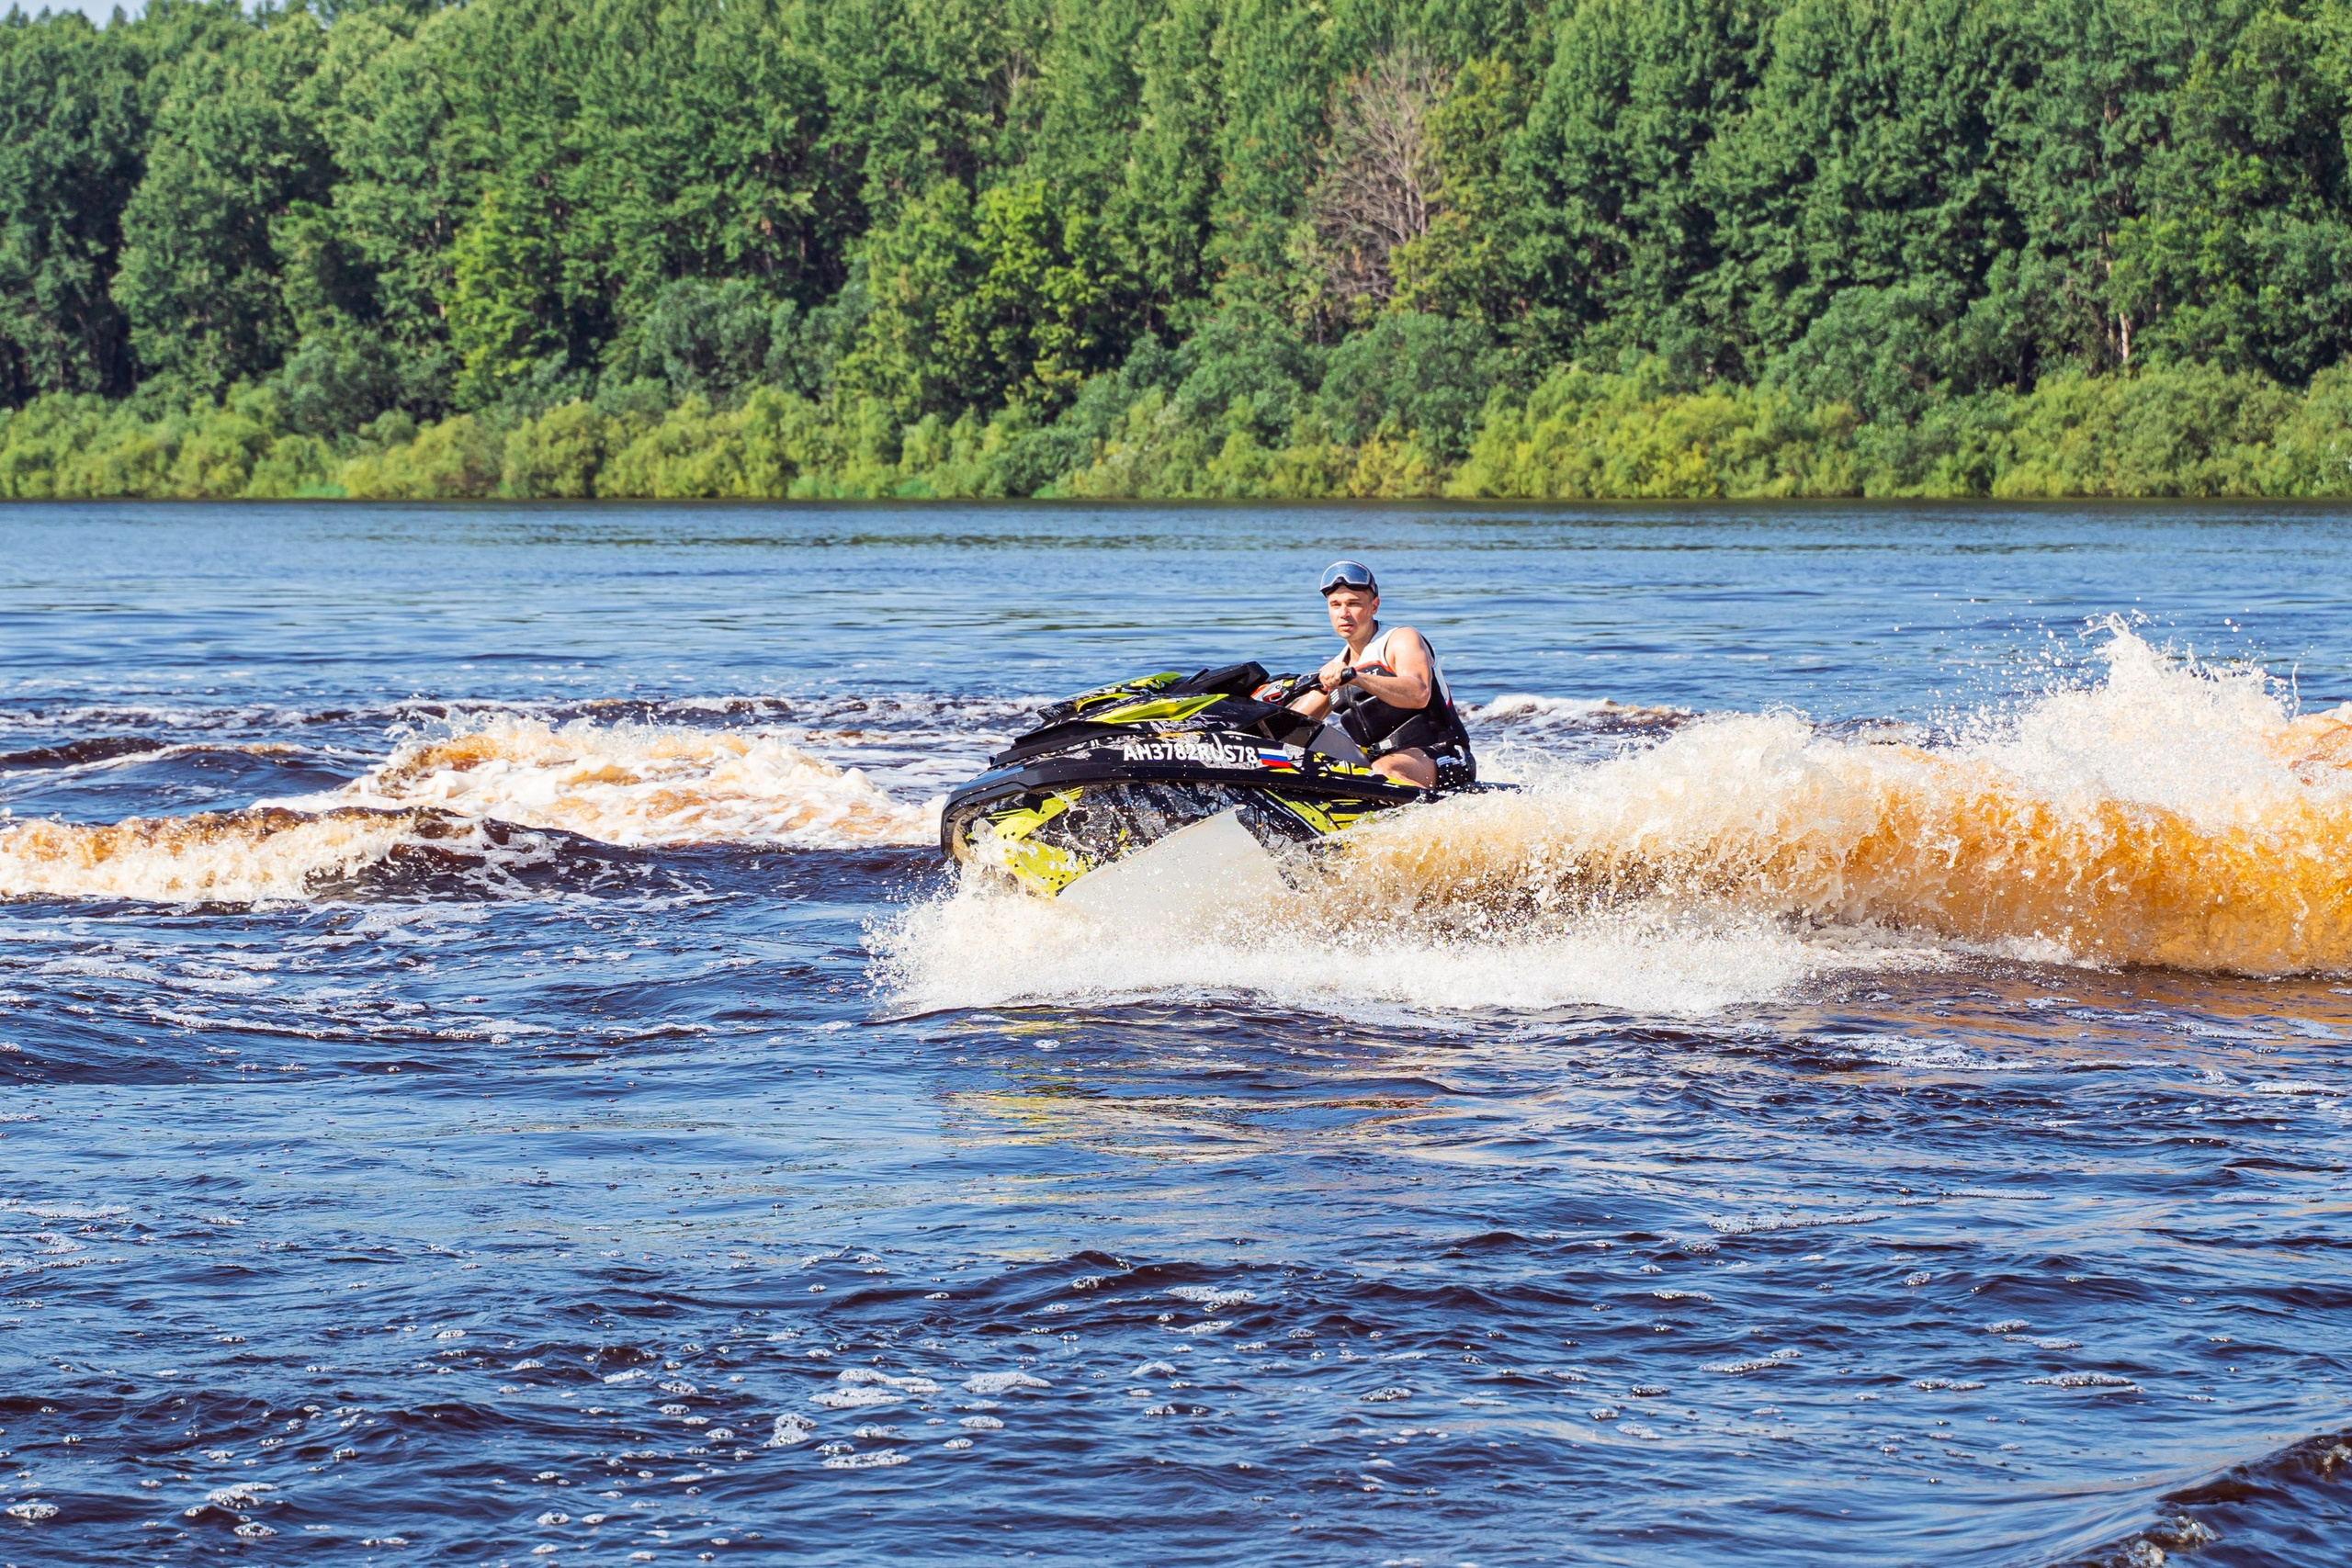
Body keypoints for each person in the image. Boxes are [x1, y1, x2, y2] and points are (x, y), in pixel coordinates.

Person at [1287, 559, 1475, 789]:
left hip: (1445, 756)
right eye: (1335, 605)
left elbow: (1419, 693)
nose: (1344, 613)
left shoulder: (1400, 639)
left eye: (1353, 604)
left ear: (1374, 606)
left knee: (1385, 770)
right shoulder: (1336, 668)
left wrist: (1356, 676)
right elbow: (1289, 724)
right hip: (1377, 770)